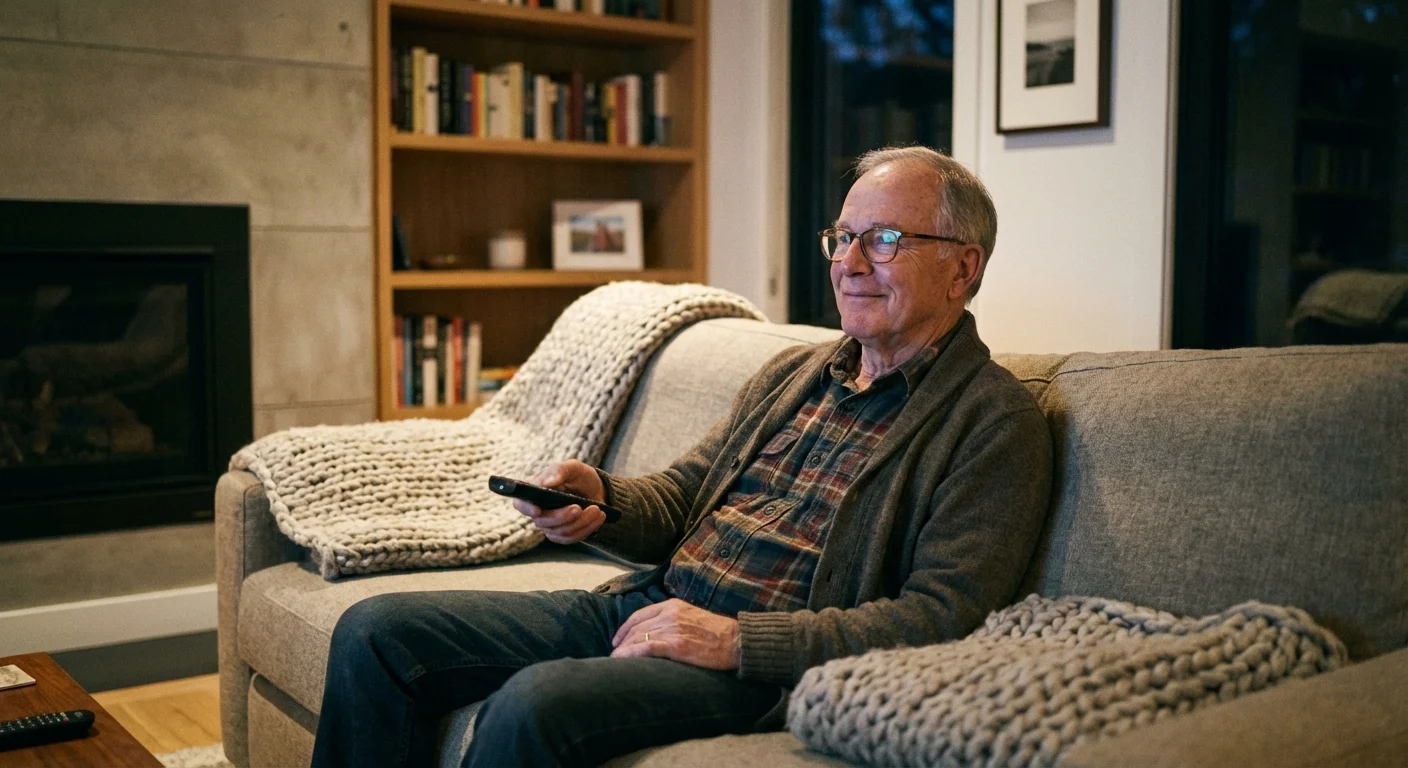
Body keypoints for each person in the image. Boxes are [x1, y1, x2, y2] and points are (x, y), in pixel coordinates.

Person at [311, 146, 1054, 768]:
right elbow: (685, 496)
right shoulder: (795, 376)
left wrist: (736, 641)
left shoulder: (994, 423)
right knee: (377, 632)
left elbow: (943, 617)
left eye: (885, 240)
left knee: (534, 706)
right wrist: (598, 497)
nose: (851, 262)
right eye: (843, 238)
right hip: (650, 607)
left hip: (759, 665)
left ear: (963, 268)